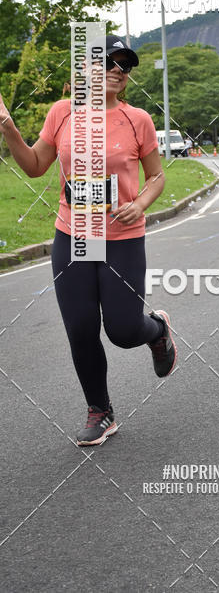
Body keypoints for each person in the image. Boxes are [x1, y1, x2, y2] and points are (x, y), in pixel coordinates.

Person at [0, 35, 177, 446]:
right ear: (85, 70)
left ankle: (156, 331)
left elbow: (157, 176)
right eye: (108, 62)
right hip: (74, 235)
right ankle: (100, 411)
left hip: (121, 238)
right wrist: (8, 128)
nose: (118, 69)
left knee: (122, 329)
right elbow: (35, 166)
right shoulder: (62, 112)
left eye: (124, 64)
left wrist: (142, 203)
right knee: (80, 328)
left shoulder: (138, 120)